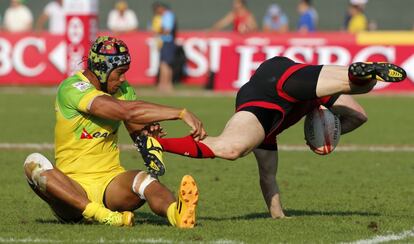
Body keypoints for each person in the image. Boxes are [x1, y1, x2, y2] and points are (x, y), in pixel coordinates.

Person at [136, 57, 407, 218]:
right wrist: (320, 132)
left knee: (235, 151)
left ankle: (363, 76)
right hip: (268, 92)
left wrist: (278, 216)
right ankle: (363, 77)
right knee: (232, 148)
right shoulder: (265, 127)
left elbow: (268, 178)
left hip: (284, 85)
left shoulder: (266, 134)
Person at [23, 36, 206, 228]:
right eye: (119, 73)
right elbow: (125, 111)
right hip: (71, 189)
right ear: (102, 69)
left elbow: (138, 134)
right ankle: (103, 216)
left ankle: (176, 214)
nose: (123, 79)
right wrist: (180, 113)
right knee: (33, 163)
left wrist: (149, 142)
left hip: (111, 183)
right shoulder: (72, 88)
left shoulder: (123, 90)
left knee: (146, 181)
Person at [152, 2, 177, 93]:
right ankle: (167, 85)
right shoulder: (168, 15)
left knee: (164, 64)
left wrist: (157, 32)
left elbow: (167, 30)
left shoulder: (167, 16)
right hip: (167, 42)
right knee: (167, 64)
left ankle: (163, 85)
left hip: (167, 41)